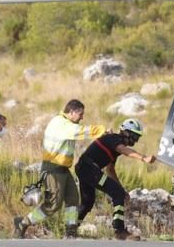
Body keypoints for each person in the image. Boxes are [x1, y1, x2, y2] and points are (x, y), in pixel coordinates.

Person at [14, 100, 106, 239]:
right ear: (72, 112)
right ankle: (23, 223)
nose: (82, 117)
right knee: (53, 205)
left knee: (73, 199)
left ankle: (70, 232)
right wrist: (102, 130)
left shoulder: (65, 122)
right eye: (80, 114)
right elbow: (80, 131)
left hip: (63, 169)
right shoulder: (62, 124)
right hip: (53, 169)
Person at [74, 119, 156, 241]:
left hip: (85, 169)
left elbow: (110, 170)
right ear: (125, 132)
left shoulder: (114, 148)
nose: (135, 140)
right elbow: (124, 150)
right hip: (89, 169)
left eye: (137, 137)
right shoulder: (113, 139)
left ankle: (71, 228)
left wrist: (122, 190)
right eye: (134, 136)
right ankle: (120, 231)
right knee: (117, 194)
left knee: (87, 202)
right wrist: (143, 158)